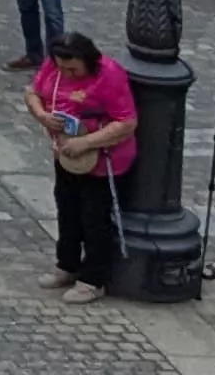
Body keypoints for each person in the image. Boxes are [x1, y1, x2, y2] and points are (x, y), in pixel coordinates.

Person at [27, 32, 137, 302]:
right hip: (66, 154)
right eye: (62, 68)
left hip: (102, 159)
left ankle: (94, 279)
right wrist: (42, 116)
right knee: (67, 208)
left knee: (95, 217)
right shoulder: (54, 66)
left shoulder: (110, 75)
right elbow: (33, 93)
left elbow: (126, 122)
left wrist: (87, 143)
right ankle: (67, 264)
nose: (67, 73)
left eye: (73, 69)